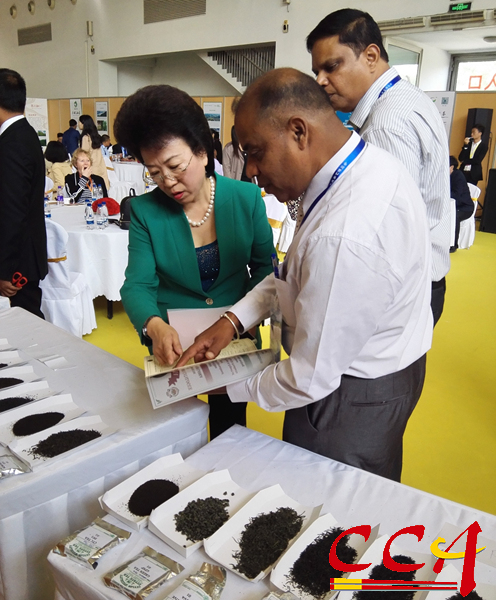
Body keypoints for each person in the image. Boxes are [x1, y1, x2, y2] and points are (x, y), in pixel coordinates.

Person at [178, 69, 432, 482]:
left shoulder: (344, 235)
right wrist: (233, 320)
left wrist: (226, 386)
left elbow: (308, 378)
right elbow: (297, 272)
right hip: (381, 367)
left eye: (256, 152)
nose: (251, 171)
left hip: (346, 395)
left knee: (325, 499)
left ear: (299, 131)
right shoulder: (364, 167)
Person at [114, 84, 274, 439]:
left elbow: (265, 269)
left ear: (202, 152)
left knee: (230, 430)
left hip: (233, 336)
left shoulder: (246, 198)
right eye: (155, 173)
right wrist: (153, 325)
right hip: (174, 343)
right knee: (176, 432)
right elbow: (137, 283)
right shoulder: (145, 211)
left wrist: (242, 320)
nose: (168, 182)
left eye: (175, 166)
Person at [307, 8, 450, 327]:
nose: (320, 81)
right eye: (317, 71)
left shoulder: (386, 124)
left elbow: (388, 233)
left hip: (400, 290)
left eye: (332, 67)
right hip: (421, 280)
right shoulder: (408, 97)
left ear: (371, 56)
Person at [0, 69, 47, 317]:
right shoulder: (24, 133)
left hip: (18, 261)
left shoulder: (12, 143)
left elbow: (12, 211)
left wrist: (5, 270)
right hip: (25, 253)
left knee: (26, 324)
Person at [450, 155, 474, 252]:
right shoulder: (446, 176)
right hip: (454, 205)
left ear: (452, 167)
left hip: (465, 207)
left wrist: (443, 193)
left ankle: (453, 244)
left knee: (454, 216)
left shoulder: (458, 176)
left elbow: (457, 195)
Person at [78, 114, 110, 189]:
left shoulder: (86, 137)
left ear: (84, 123)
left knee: (92, 188)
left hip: (91, 165)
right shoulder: (96, 136)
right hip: (100, 164)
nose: (78, 124)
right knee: (101, 187)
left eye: (80, 122)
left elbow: (84, 154)